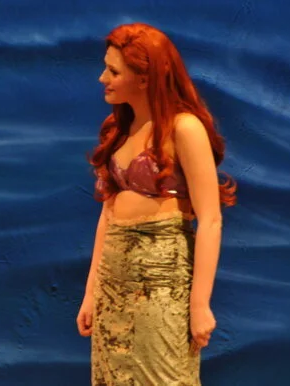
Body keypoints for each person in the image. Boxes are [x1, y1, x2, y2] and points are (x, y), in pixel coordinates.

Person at [76, 23, 237, 385]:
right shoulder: (118, 129)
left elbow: (210, 219)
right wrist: (91, 292)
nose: (103, 78)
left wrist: (199, 304)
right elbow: (107, 215)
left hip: (161, 287)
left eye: (114, 71)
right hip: (112, 287)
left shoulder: (184, 129)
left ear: (145, 78)